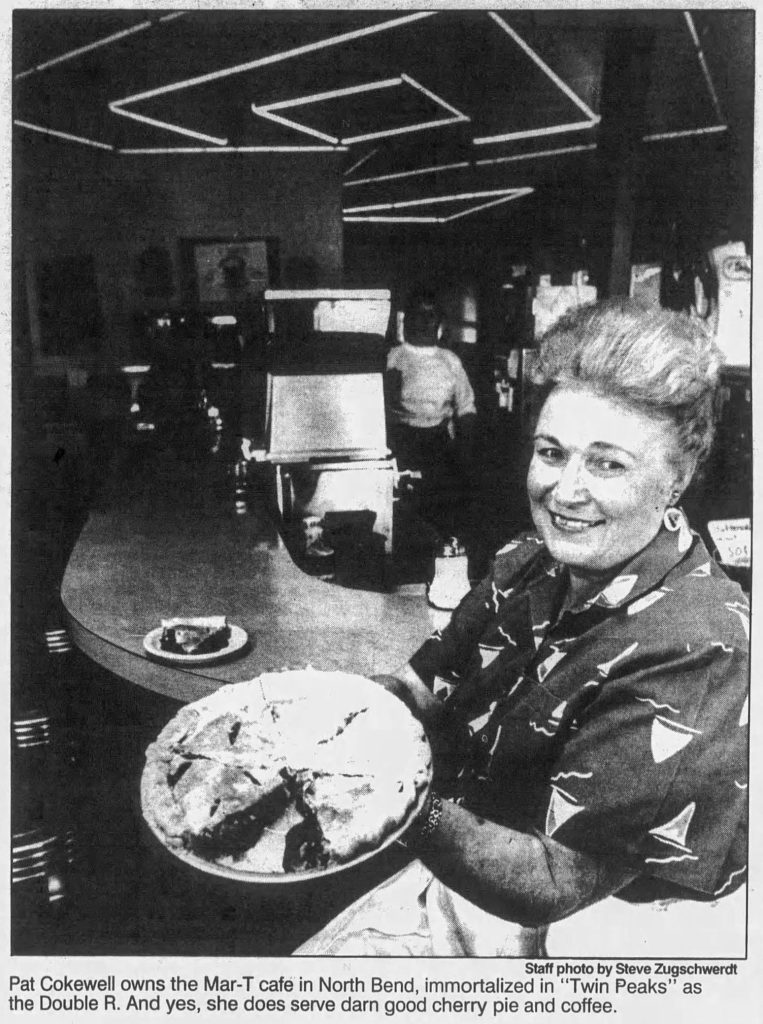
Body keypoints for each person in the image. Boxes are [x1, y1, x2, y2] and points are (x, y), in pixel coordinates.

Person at [294, 299, 748, 957]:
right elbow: (424, 691)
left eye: (606, 464)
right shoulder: (524, 562)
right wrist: (326, 717)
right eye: (550, 452)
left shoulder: (699, 646)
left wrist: (382, 796)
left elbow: (558, 882)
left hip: (599, 934)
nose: (564, 491)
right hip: (475, 859)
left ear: (674, 478)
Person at [385, 288, 477, 539]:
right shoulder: (393, 358)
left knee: (442, 514)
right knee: (405, 516)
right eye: (418, 315)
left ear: (439, 323)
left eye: (431, 316)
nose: (425, 322)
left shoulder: (450, 360)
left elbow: (466, 407)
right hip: (401, 443)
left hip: (439, 445)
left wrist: (464, 453)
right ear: (407, 320)